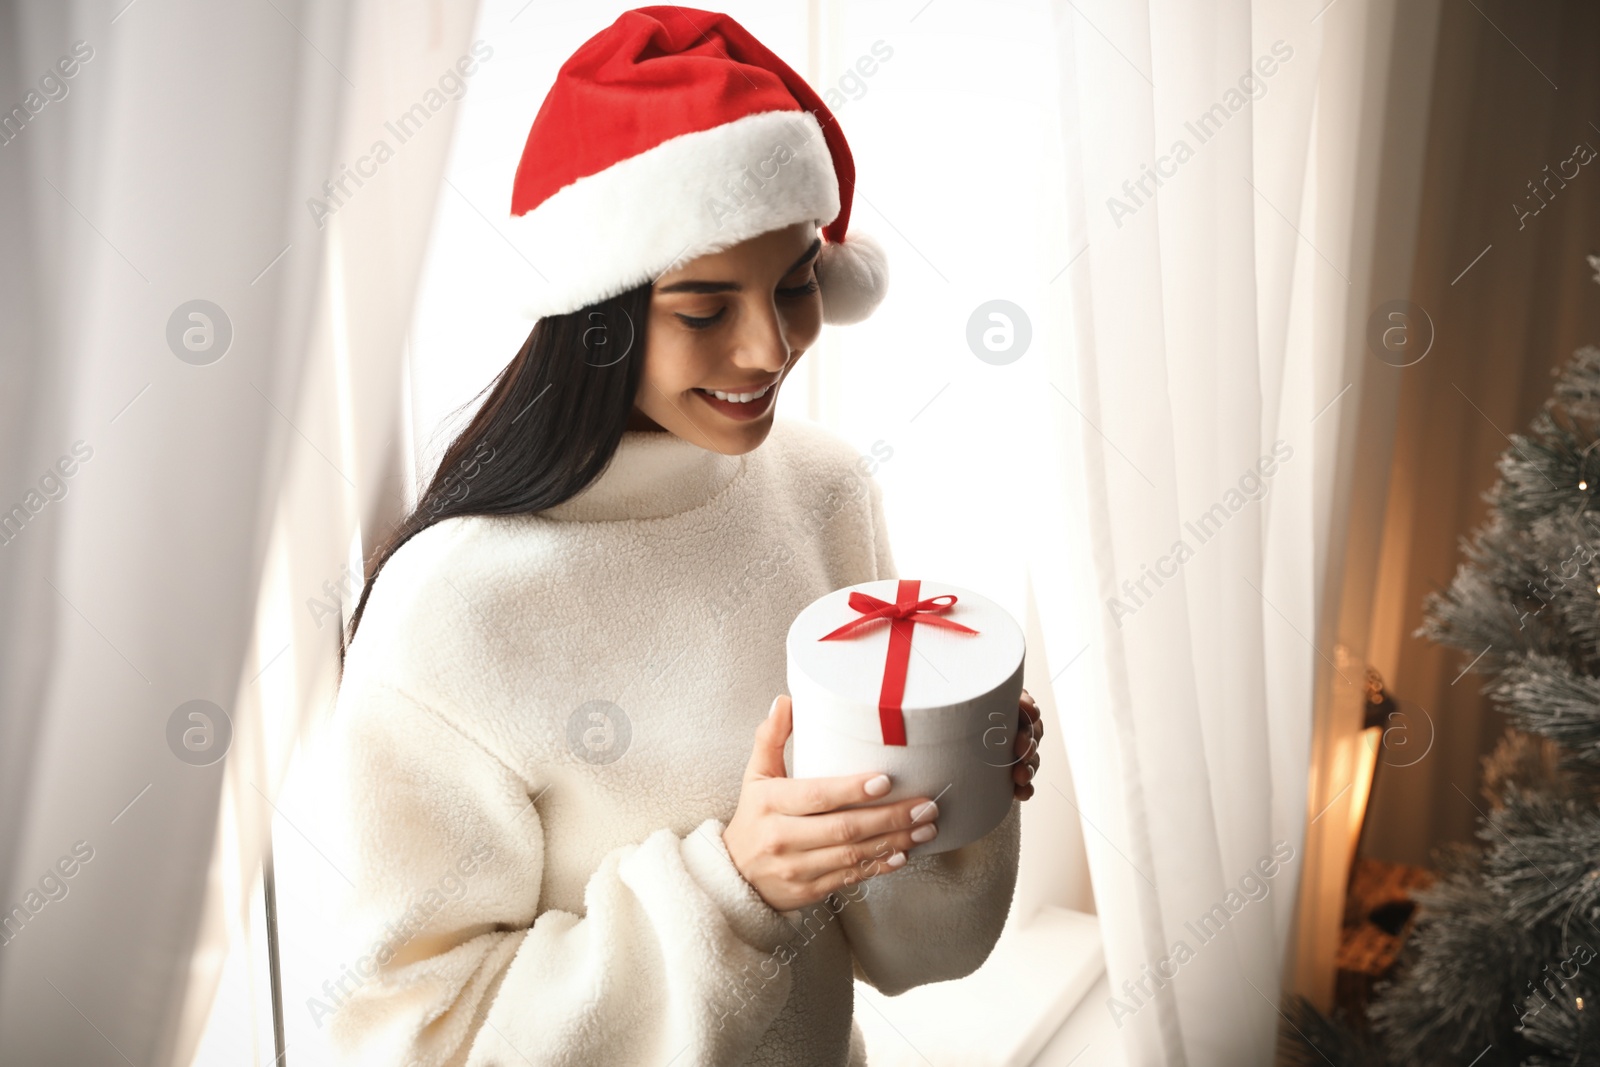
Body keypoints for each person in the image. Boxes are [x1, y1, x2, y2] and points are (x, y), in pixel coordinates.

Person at [313, 7, 1044, 1065]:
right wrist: (734, 884)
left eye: (794, 283)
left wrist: (947, 787)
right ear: (597, 317)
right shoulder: (453, 606)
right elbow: (413, 1032)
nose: (768, 347)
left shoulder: (823, 488)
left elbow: (907, 951)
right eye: (704, 308)